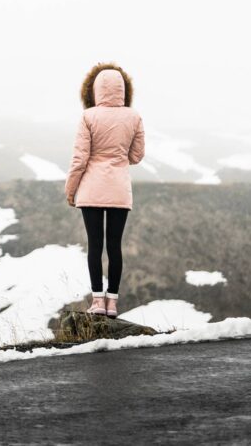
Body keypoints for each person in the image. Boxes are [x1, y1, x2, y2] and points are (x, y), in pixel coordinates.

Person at [64, 62, 145, 319]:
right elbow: (137, 156)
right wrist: (118, 158)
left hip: (91, 191)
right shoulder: (134, 117)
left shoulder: (88, 117)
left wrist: (71, 189)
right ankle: (113, 303)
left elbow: (80, 159)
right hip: (120, 190)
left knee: (95, 246)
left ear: (95, 90)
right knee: (114, 246)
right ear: (123, 89)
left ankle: (97, 301)